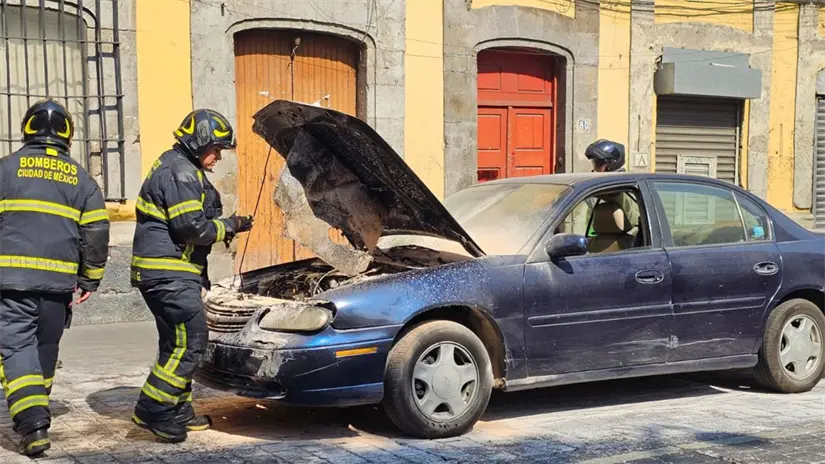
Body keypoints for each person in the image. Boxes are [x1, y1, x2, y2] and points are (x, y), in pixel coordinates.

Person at [129, 109, 253, 443]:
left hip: (169, 272)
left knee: (175, 343)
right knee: (192, 342)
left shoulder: (180, 166)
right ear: (199, 142)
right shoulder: (181, 172)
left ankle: (178, 409)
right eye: (216, 148)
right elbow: (192, 229)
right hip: (168, 273)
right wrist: (231, 225)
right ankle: (153, 409)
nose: (218, 157)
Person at [0, 99, 110, 456]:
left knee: (17, 348)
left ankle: (33, 423)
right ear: (67, 135)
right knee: (45, 349)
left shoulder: (5, 169)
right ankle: (36, 408)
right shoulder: (83, 179)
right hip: (58, 287)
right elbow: (96, 233)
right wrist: (90, 279)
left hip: (11, 285)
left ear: (27, 129)